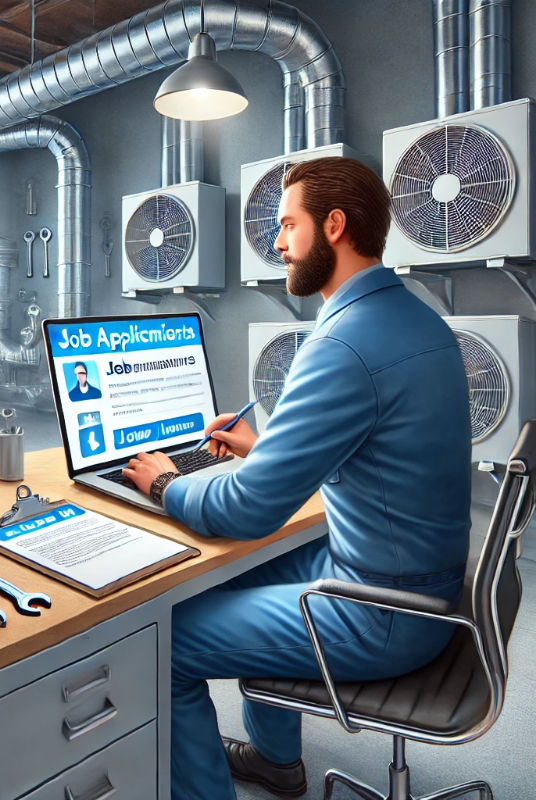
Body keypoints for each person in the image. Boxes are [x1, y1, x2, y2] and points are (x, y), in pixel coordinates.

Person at [122, 157, 471, 800]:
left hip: (382, 612)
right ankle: (275, 760)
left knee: (160, 640)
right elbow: (375, 449)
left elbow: (247, 511)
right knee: (238, 577)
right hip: (421, 578)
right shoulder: (420, 322)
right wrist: (265, 447)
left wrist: (166, 482)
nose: (278, 243)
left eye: (287, 225)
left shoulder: (341, 344)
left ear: (333, 226)